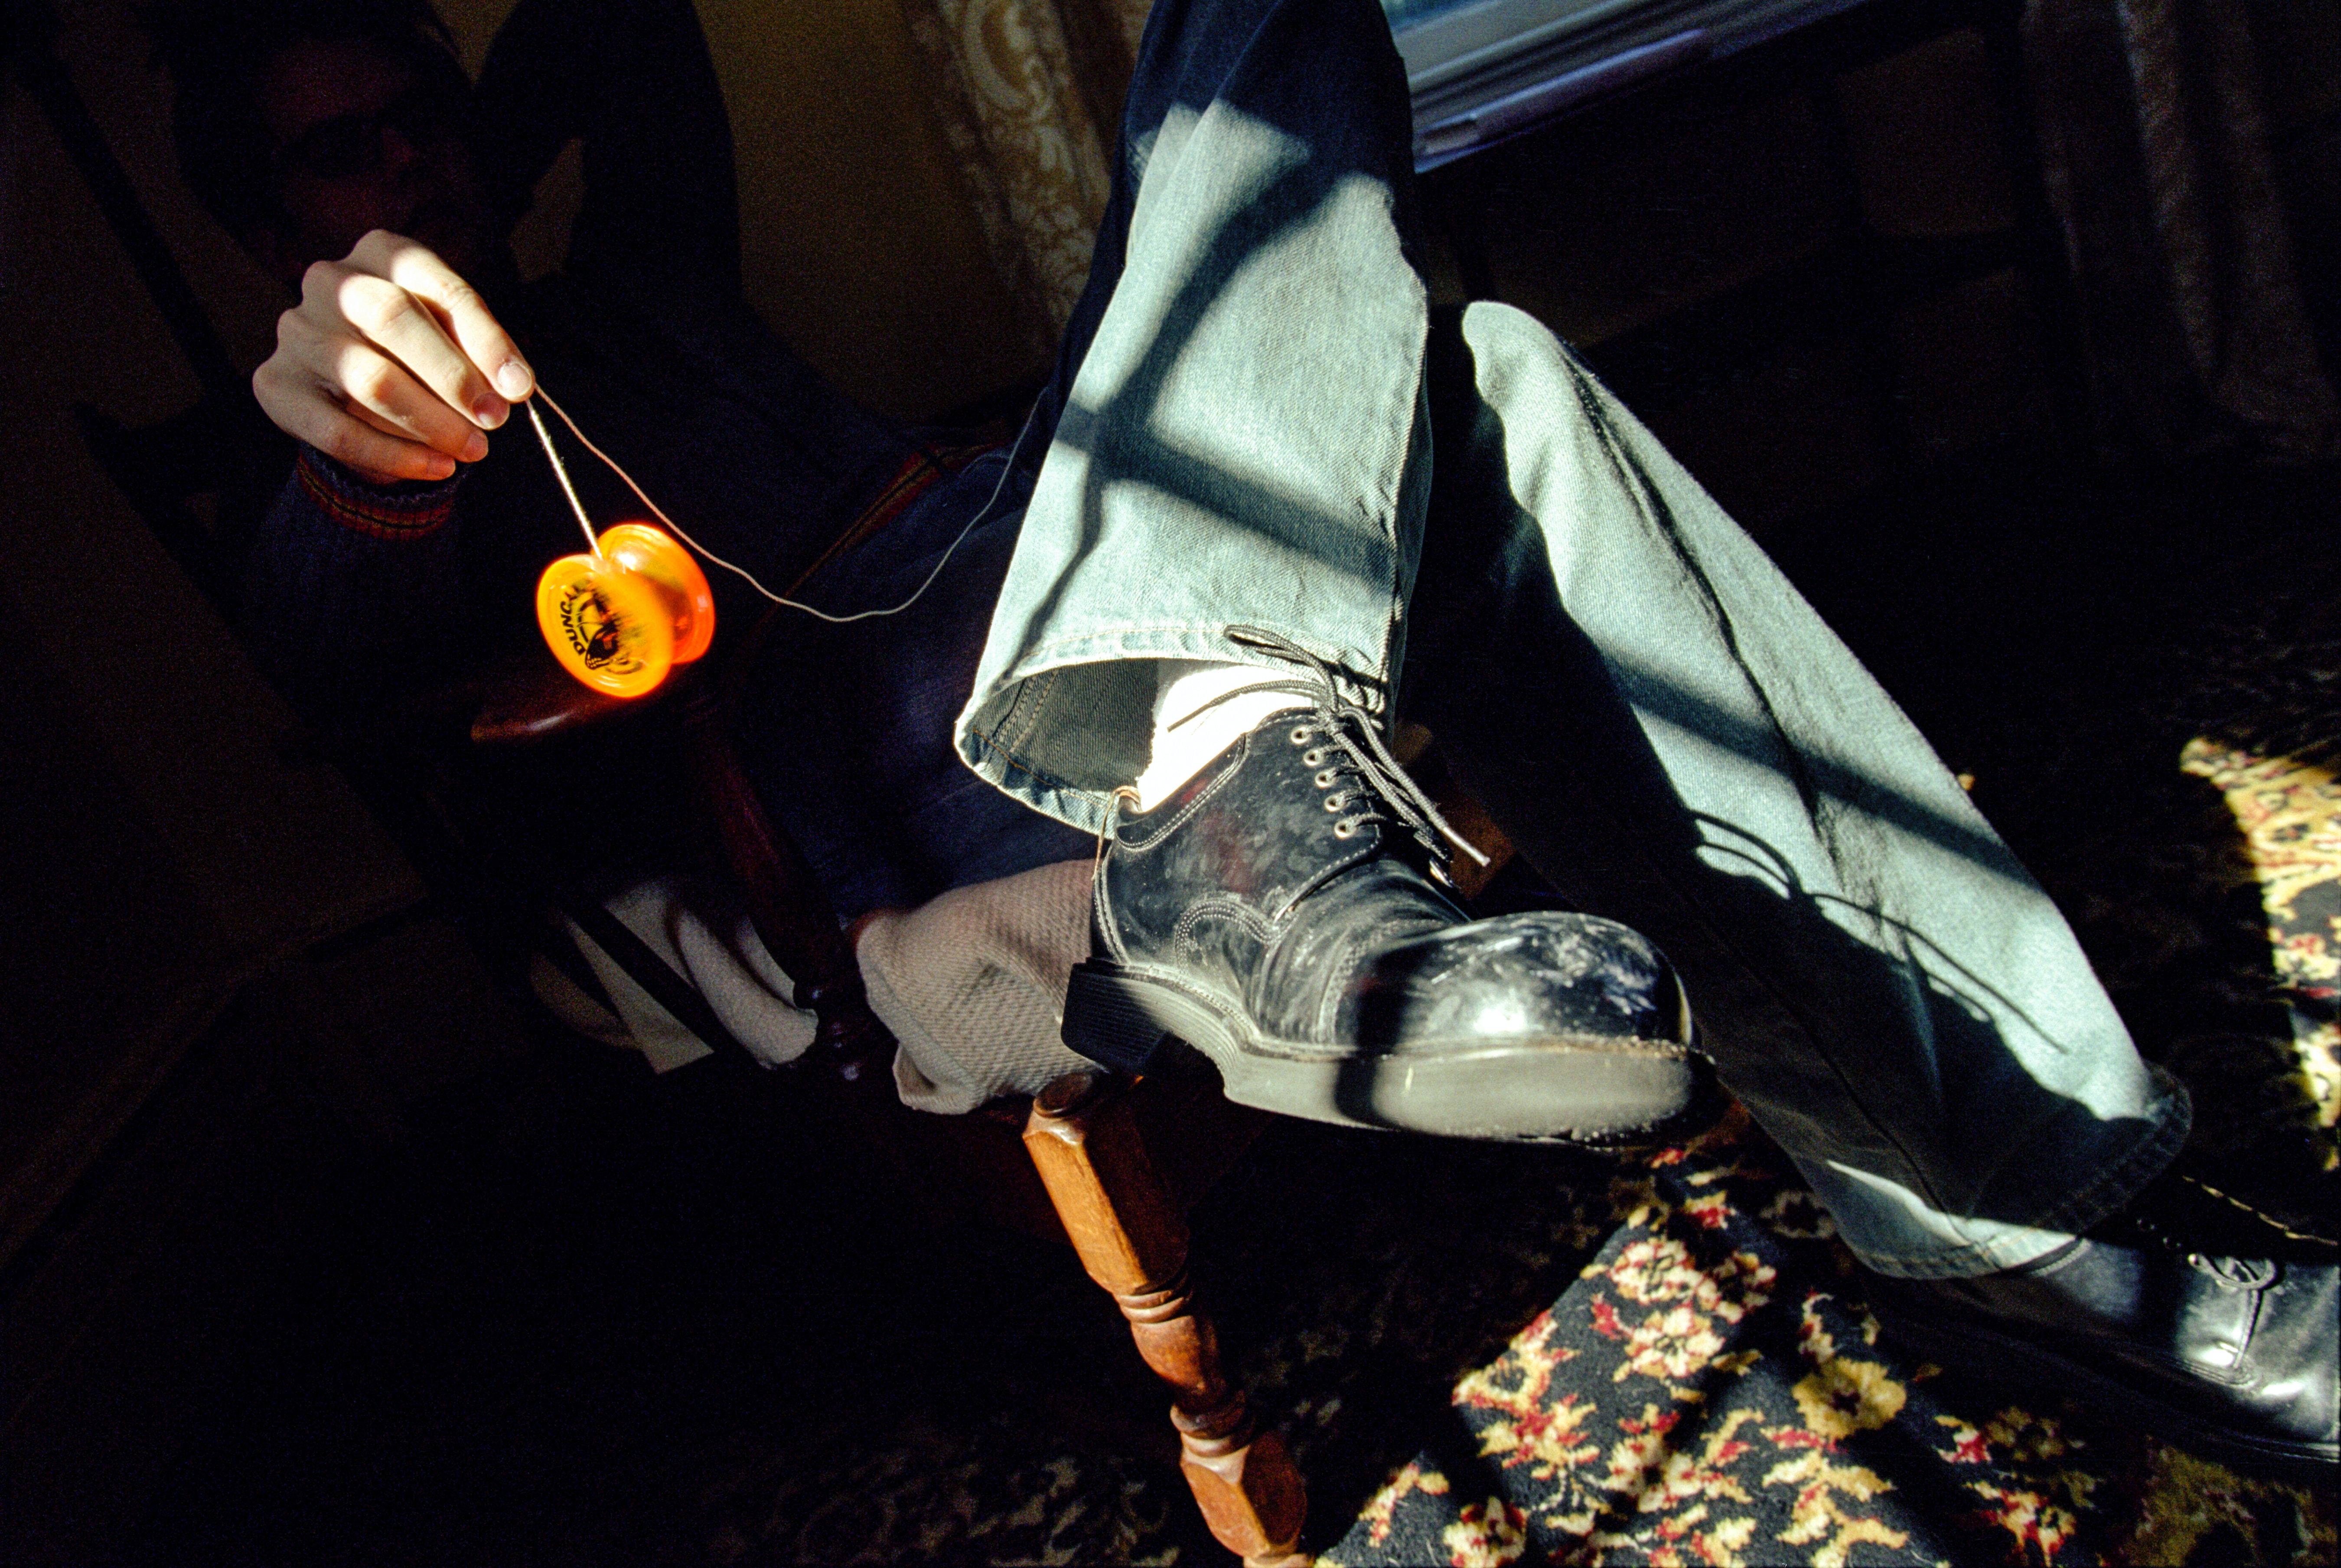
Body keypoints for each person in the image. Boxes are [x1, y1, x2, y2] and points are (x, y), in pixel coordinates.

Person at [154, 0, 2335, 1477]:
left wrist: (449, 127)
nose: (401, 159)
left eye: (414, 114)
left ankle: (1235, 756)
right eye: (333, 152)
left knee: (1256, 27)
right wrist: (358, 411)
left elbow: (629, 38)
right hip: (902, 744)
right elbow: (324, 639)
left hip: (1047, 535)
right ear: (259, 223)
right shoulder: (343, 461)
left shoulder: (641, 276)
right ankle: (2037, 1224)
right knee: (1497, 391)